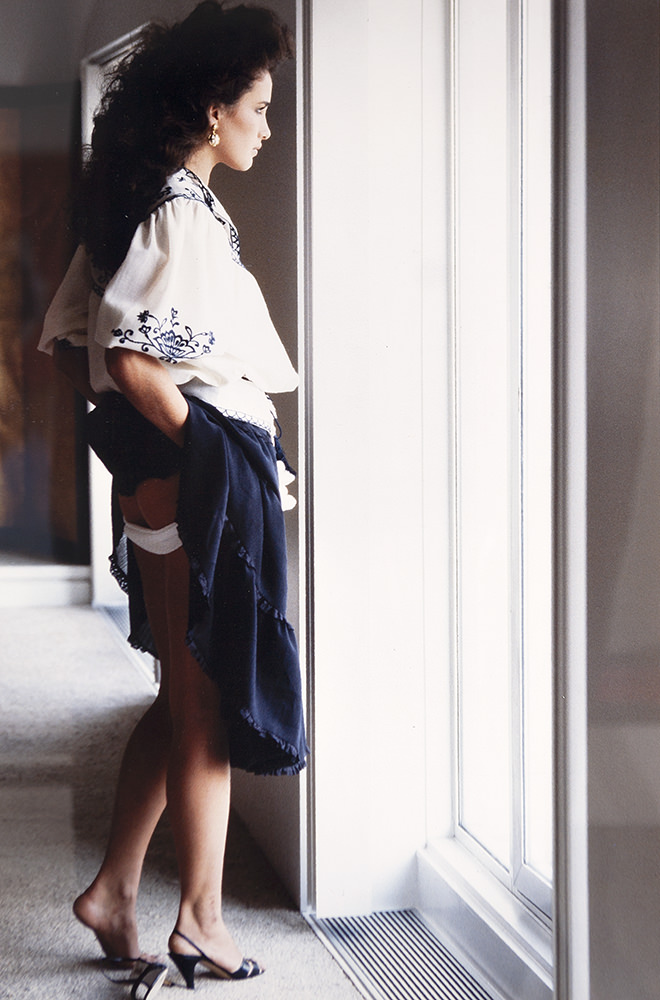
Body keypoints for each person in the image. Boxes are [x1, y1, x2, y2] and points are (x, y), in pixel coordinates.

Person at [39, 2, 307, 994]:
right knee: (209, 709)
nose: (267, 128)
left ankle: (115, 889)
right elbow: (129, 360)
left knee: (181, 692)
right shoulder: (178, 214)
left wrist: (140, 448)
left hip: (165, 477)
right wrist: (212, 459)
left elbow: (75, 347)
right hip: (193, 474)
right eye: (260, 109)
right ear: (211, 109)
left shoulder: (141, 202)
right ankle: (200, 920)